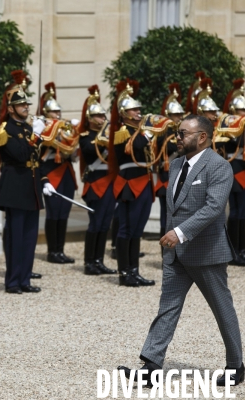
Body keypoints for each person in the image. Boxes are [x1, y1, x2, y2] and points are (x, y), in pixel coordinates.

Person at [118, 114, 245, 387]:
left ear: (202, 137)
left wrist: (179, 232)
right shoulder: (176, 164)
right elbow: (173, 207)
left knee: (222, 309)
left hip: (206, 252)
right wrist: (172, 237)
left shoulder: (219, 166)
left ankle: (236, 366)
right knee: (168, 308)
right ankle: (150, 366)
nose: (178, 136)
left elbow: (213, 208)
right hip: (175, 254)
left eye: (184, 133)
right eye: (178, 132)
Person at [0, 70, 48, 294]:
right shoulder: (5, 130)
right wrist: (35, 136)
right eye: (22, 105)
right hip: (15, 186)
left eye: (27, 104)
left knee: (29, 238)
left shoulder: (28, 128)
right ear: (12, 108)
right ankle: (13, 281)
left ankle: (25, 279)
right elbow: (20, 155)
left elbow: (37, 158)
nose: (26, 108)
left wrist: (45, 181)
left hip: (31, 188)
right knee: (15, 237)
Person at [109, 80, 155, 287]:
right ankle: (124, 272)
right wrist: (145, 134)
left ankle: (134, 270)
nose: (138, 112)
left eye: (138, 109)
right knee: (126, 229)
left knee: (137, 230)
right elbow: (131, 150)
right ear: (124, 113)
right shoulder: (123, 132)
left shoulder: (140, 131)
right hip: (130, 183)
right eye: (134, 109)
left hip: (144, 181)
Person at [77, 85, 117, 275]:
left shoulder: (108, 136)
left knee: (105, 223)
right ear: (90, 119)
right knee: (95, 223)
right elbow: (89, 151)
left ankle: (99, 260)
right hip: (95, 184)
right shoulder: (86, 136)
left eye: (103, 116)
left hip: (109, 183)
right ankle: (89, 262)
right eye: (99, 116)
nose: (103, 119)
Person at [38, 82, 78, 264]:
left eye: (58, 112)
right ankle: (51, 250)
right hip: (51, 172)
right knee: (53, 213)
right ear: (47, 113)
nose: (58, 115)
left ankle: (60, 250)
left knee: (64, 213)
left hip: (67, 172)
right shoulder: (44, 128)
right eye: (54, 112)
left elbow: (73, 152)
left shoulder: (64, 128)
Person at [222, 79, 245, 266]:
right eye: (242, 110)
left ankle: (241, 251)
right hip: (234, 171)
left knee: (242, 214)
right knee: (235, 213)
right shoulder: (229, 124)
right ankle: (232, 251)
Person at [154, 83, 184, 241]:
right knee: (167, 219)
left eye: (180, 114)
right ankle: (166, 253)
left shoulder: (182, 132)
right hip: (166, 180)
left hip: (181, 180)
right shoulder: (162, 133)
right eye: (176, 114)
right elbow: (168, 146)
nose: (179, 117)